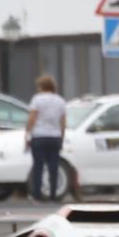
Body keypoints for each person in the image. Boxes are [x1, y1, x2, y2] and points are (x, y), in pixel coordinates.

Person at [25, 75, 68, 203]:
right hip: (55, 137)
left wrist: (27, 134)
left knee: (38, 166)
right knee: (53, 166)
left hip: (39, 136)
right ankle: (53, 194)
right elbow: (63, 122)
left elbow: (32, 118)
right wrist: (62, 137)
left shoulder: (37, 100)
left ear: (40, 86)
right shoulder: (60, 100)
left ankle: (37, 194)